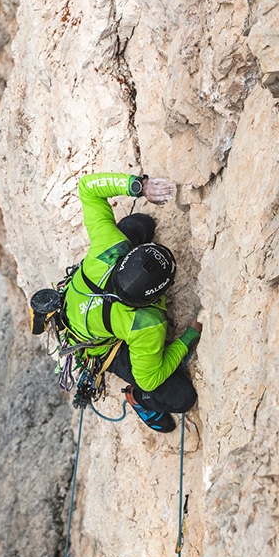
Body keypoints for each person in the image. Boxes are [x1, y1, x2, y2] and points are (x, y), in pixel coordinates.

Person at [60, 171, 201, 433]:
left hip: (80, 308)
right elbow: (149, 379)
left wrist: (139, 186)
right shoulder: (145, 323)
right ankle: (137, 401)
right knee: (182, 397)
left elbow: (88, 187)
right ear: (155, 298)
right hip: (96, 347)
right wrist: (188, 338)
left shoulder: (109, 246)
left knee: (139, 224)